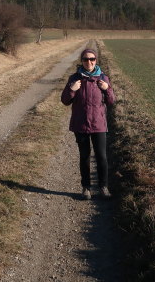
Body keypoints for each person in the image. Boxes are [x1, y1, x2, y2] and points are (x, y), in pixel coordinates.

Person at [61, 48, 115, 200]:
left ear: (96, 60)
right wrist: (72, 90)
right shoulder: (74, 78)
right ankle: (86, 188)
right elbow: (65, 101)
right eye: (85, 59)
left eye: (92, 59)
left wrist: (107, 89)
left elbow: (111, 101)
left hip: (98, 124)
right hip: (81, 124)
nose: (89, 62)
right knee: (84, 156)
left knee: (101, 157)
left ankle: (103, 187)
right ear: (82, 61)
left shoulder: (103, 78)